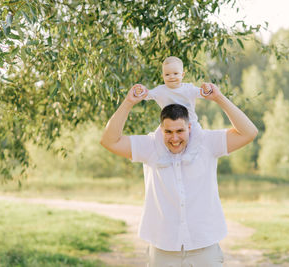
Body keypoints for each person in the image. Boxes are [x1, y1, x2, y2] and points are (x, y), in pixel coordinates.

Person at [100, 82, 258, 266]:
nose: (174, 139)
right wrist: (128, 102)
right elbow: (109, 141)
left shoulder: (207, 143)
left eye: (180, 131)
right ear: (161, 129)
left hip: (204, 247)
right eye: (168, 131)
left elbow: (249, 132)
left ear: (189, 127)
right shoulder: (150, 146)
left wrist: (219, 98)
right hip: (163, 249)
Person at [134, 56, 212, 133]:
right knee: (157, 137)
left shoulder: (189, 88)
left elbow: (204, 93)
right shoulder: (160, 90)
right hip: (169, 126)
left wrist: (206, 89)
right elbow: (147, 94)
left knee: (198, 139)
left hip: (190, 123)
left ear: (182, 75)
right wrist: (140, 91)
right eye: (167, 74)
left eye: (175, 73)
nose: (171, 77)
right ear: (163, 76)